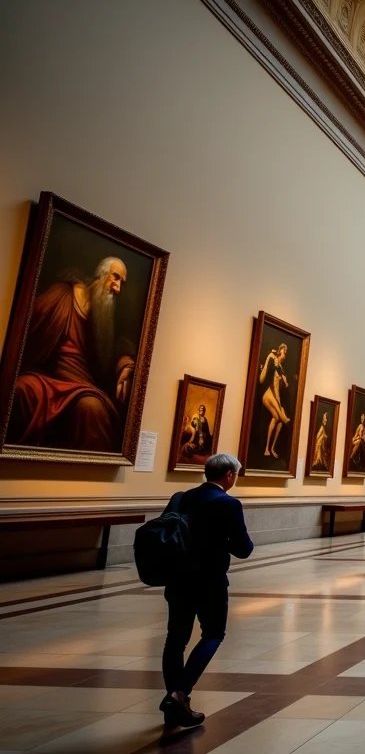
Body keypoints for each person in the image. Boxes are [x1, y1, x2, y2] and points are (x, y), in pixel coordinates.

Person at [159, 453, 253, 732]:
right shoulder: (228, 503)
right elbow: (244, 549)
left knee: (175, 639)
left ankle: (172, 707)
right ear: (228, 476)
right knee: (213, 633)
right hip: (209, 581)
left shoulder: (182, 497)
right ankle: (179, 694)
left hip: (177, 579)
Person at [8, 257, 136, 452]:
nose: (117, 288)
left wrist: (126, 364)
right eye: (115, 278)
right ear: (101, 275)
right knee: (18, 390)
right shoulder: (62, 295)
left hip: (80, 384)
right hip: (47, 377)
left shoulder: (103, 317)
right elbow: (28, 323)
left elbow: (118, 346)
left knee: (92, 409)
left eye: (121, 283)